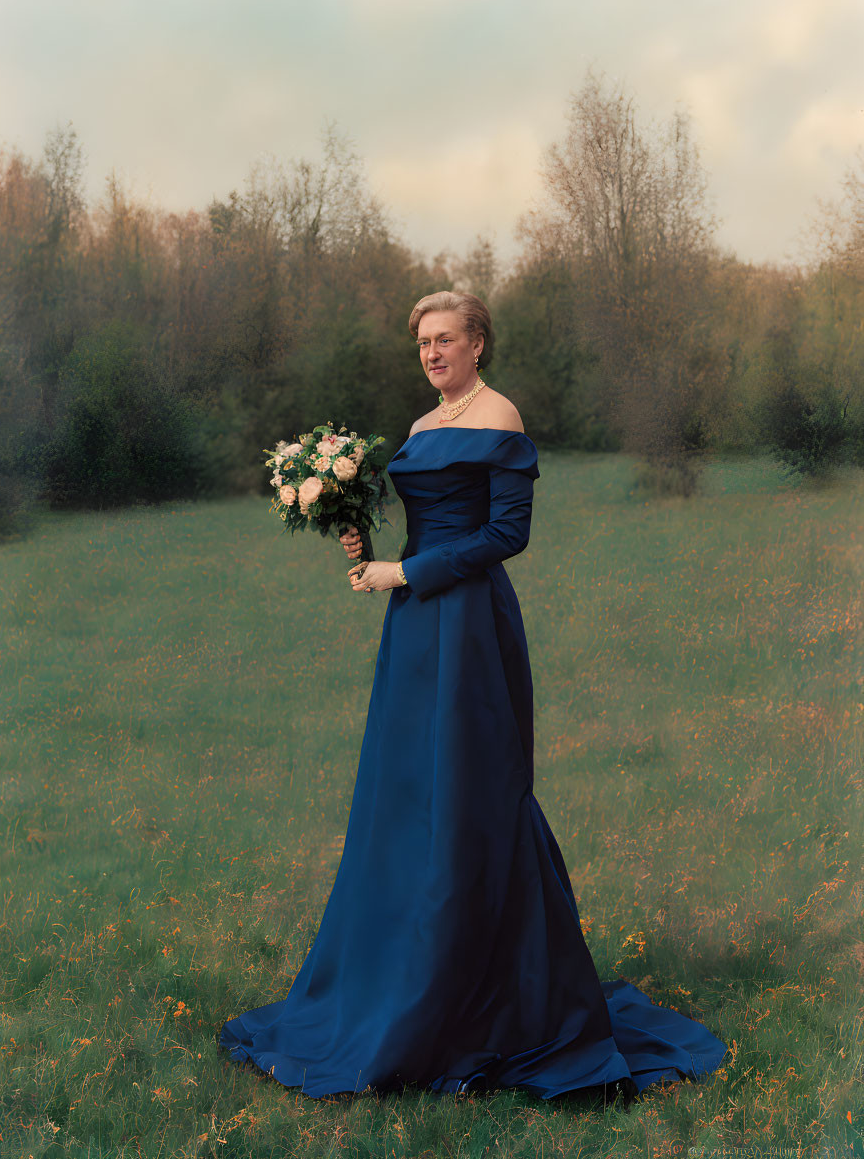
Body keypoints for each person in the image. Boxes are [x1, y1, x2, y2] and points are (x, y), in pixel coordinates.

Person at [218, 290, 728, 1104]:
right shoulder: (419, 429)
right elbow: (418, 527)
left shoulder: (501, 415)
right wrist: (362, 538)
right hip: (414, 630)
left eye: (444, 338)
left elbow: (504, 536)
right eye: (422, 341)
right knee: (409, 796)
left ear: (477, 343)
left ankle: (491, 996)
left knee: (470, 796)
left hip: (468, 627)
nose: (431, 352)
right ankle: (401, 978)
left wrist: (407, 572)